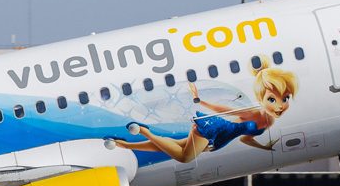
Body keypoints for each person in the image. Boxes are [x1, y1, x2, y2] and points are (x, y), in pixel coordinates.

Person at [117, 62, 300, 164]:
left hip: (218, 136)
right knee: (184, 157)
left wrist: (264, 148)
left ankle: (127, 146)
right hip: (214, 129)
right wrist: (200, 101)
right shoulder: (254, 113)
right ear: (262, 98)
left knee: (171, 146)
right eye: (272, 99)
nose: (279, 106)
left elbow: (245, 138)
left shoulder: (269, 122)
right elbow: (225, 110)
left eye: (285, 100)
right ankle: (145, 131)